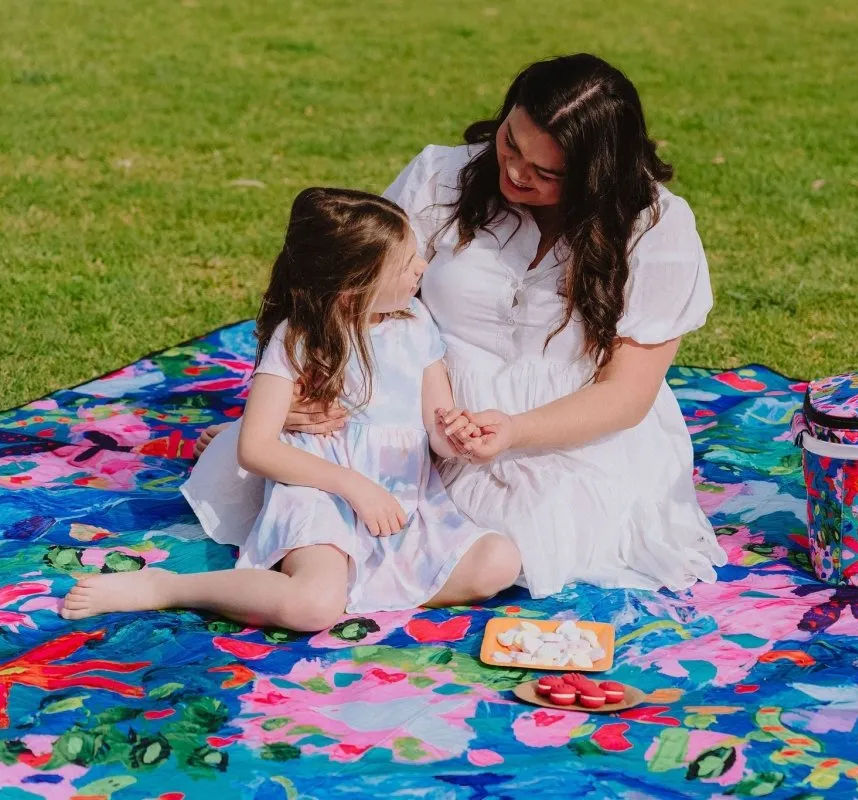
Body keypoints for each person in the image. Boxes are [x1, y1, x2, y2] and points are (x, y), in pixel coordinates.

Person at [193, 52, 727, 600]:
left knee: (520, 542)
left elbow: (626, 395)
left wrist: (513, 431)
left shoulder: (655, 230)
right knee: (319, 487)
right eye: (510, 142)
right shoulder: (441, 177)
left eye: (547, 173)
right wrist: (307, 393)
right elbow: (347, 290)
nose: (516, 173)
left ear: (597, 175)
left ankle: (322, 588)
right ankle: (320, 576)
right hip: (414, 412)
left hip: (565, 434)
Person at [61, 188, 520, 629]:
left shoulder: (416, 324)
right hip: (319, 490)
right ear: (351, 287)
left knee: (499, 563)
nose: (422, 266)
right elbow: (257, 448)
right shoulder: (299, 337)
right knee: (311, 607)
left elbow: (435, 422)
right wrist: (353, 486)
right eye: (405, 263)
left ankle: (350, 587)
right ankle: (173, 587)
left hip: (402, 496)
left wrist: (455, 437)